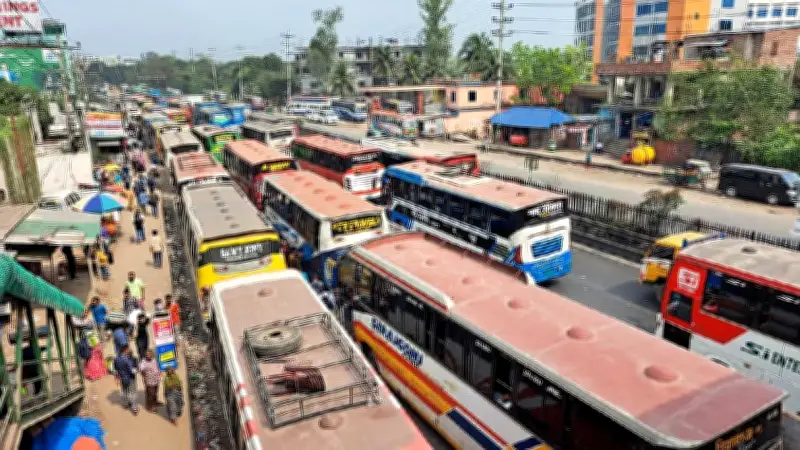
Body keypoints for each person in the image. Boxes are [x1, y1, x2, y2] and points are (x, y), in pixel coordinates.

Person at [113, 345, 139, 415]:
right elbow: (132, 370)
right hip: (130, 378)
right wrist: (137, 370)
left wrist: (117, 378)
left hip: (122, 378)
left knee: (125, 391)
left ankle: (125, 404)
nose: (130, 350)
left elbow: (115, 370)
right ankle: (134, 408)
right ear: (126, 350)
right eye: (129, 349)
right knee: (132, 393)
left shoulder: (116, 359)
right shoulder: (127, 359)